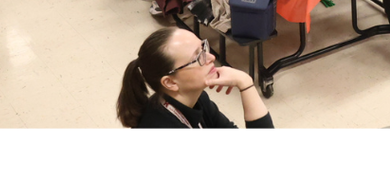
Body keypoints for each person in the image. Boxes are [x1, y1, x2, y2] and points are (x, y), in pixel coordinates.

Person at [117, 27, 273, 128]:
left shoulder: (197, 99)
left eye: (203, 47)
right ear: (170, 82)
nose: (211, 57)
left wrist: (245, 82)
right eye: (198, 57)